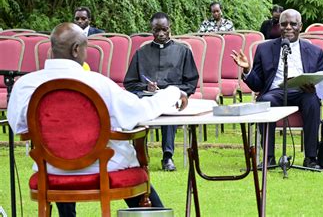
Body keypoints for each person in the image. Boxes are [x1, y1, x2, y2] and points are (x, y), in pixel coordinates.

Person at [7, 23, 188, 216]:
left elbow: (17, 125)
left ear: (52, 50)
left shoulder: (25, 86)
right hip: (103, 167)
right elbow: (140, 111)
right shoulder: (98, 83)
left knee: (62, 164)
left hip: (51, 169)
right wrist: (173, 92)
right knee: (132, 167)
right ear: (77, 49)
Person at [231, 9, 323, 169]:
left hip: (303, 92)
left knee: (312, 101)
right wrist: (247, 70)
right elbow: (258, 85)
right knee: (265, 100)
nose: (288, 27)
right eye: (284, 24)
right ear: (278, 27)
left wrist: (314, 87)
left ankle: (311, 158)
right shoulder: (264, 49)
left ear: (300, 26)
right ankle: (269, 158)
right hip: (275, 92)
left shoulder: (315, 52)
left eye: (293, 24)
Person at [124, 12, 199, 171]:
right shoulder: (141, 53)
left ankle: (167, 157)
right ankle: (140, 155)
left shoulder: (183, 51)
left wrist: (175, 92)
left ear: (169, 28)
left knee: (168, 106)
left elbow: (191, 82)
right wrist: (146, 87)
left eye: (164, 29)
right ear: (151, 30)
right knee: (136, 108)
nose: (160, 34)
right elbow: (129, 83)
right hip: (147, 98)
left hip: (172, 100)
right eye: (156, 30)